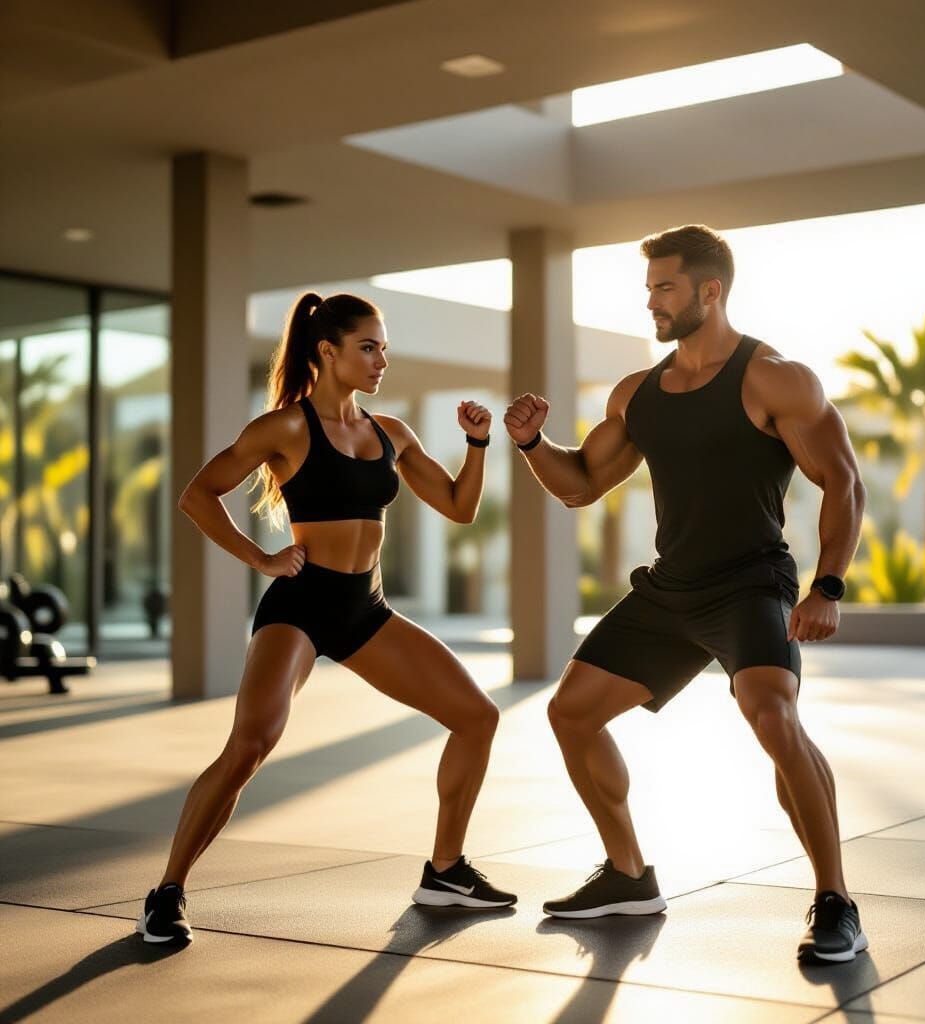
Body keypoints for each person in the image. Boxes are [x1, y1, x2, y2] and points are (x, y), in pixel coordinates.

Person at [503, 224, 868, 963]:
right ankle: (629, 877)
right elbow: (580, 485)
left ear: (711, 289)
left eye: (664, 288)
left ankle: (836, 901)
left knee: (771, 716)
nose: (652, 303)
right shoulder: (640, 394)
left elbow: (843, 481)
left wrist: (828, 585)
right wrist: (534, 444)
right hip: (671, 590)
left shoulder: (774, 378)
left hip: (750, 585)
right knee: (571, 713)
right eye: (647, 290)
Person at [137, 292, 515, 945]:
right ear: (328, 351)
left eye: (384, 348)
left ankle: (446, 870)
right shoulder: (284, 428)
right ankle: (167, 892)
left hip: (364, 609)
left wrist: (477, 443)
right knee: (251, 744)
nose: (381, 361)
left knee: (477, 717)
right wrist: (260, 557)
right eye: (368, 347)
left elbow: (458, 507)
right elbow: (197, 494)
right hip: (302, 605)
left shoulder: (391, 433)